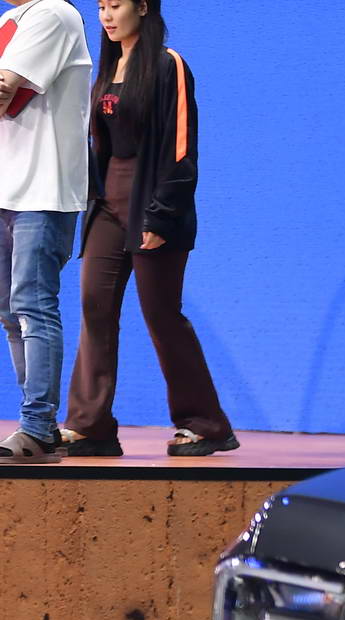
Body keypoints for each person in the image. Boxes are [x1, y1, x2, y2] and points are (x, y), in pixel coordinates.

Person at [61, 0, 234, 457]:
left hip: (152, 204)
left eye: (115, 5)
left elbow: (181, 146)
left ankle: (207, 424)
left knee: (161, 315)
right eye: (101, 6)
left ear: (142, 7)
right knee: (95, 307)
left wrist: (161, 215)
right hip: (107, 204)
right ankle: (91, 426)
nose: (106, 15)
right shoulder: (108, 68)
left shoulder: (167, 64)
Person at [0, 0, 91, 462]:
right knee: (10, 313)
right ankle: (40, 430)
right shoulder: (8, 21)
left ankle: (37, 427)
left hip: (43, 190)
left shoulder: (52, 13)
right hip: (7, 188)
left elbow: (4, 88)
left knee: (33, 307)